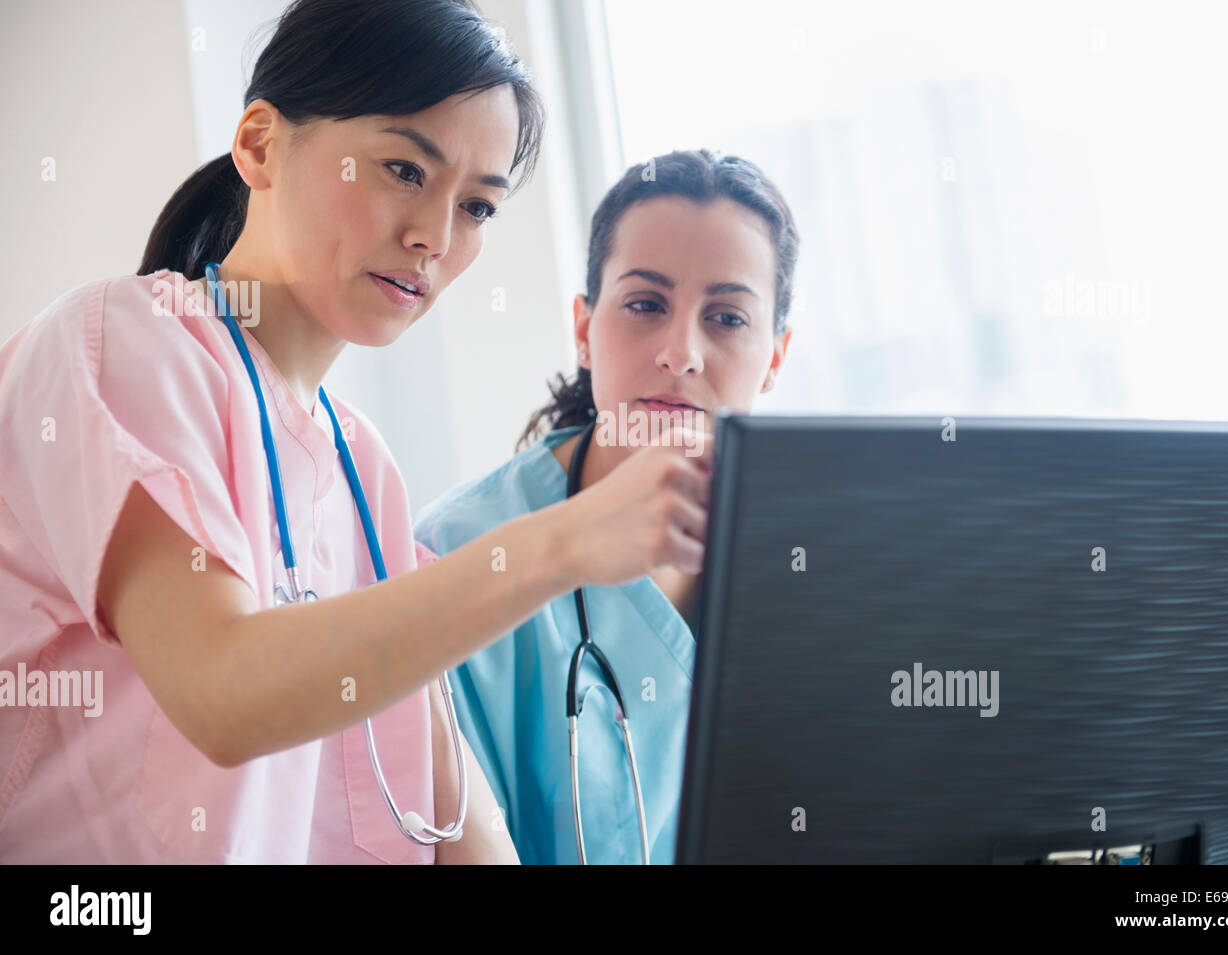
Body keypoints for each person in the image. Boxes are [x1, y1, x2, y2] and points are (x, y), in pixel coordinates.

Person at [0, 0, 711, 864]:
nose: (433, 237)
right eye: (404, 170)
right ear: (261, 145)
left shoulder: (363, 472)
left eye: (479, 207)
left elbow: (455, 822)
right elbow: (224, 691)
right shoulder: (118, 343)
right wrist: (562, 541)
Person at [413, 149, 799, 863]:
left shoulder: (816, 558)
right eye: (646, 305)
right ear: (585, 330)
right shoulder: (453, 551)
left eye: (727, 318)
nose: (681, 352)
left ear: (775, 357)